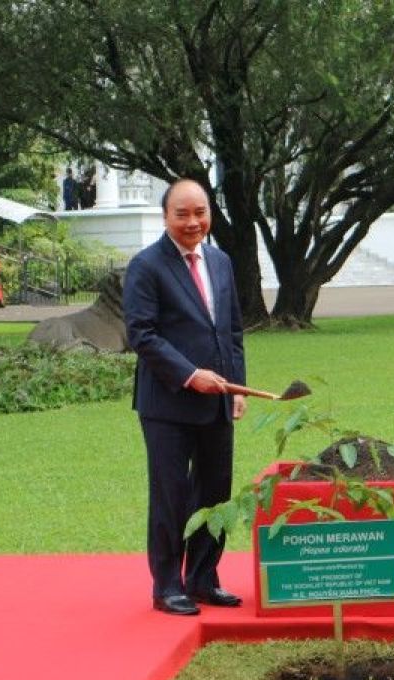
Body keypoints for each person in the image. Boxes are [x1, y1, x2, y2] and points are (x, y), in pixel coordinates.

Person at [123, 179, 247, 616]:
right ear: (165, 217)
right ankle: (167, 585)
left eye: (200, 212)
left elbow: (230, 332)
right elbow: (141, 334)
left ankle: (203, 578)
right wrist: (190, 375)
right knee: (172, 495)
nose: (193, 222)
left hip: (218, 402)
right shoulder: (146, 265)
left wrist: (234, 388)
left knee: (215, 493)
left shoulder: (221, 261)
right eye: (183, 214)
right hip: (167, 405)